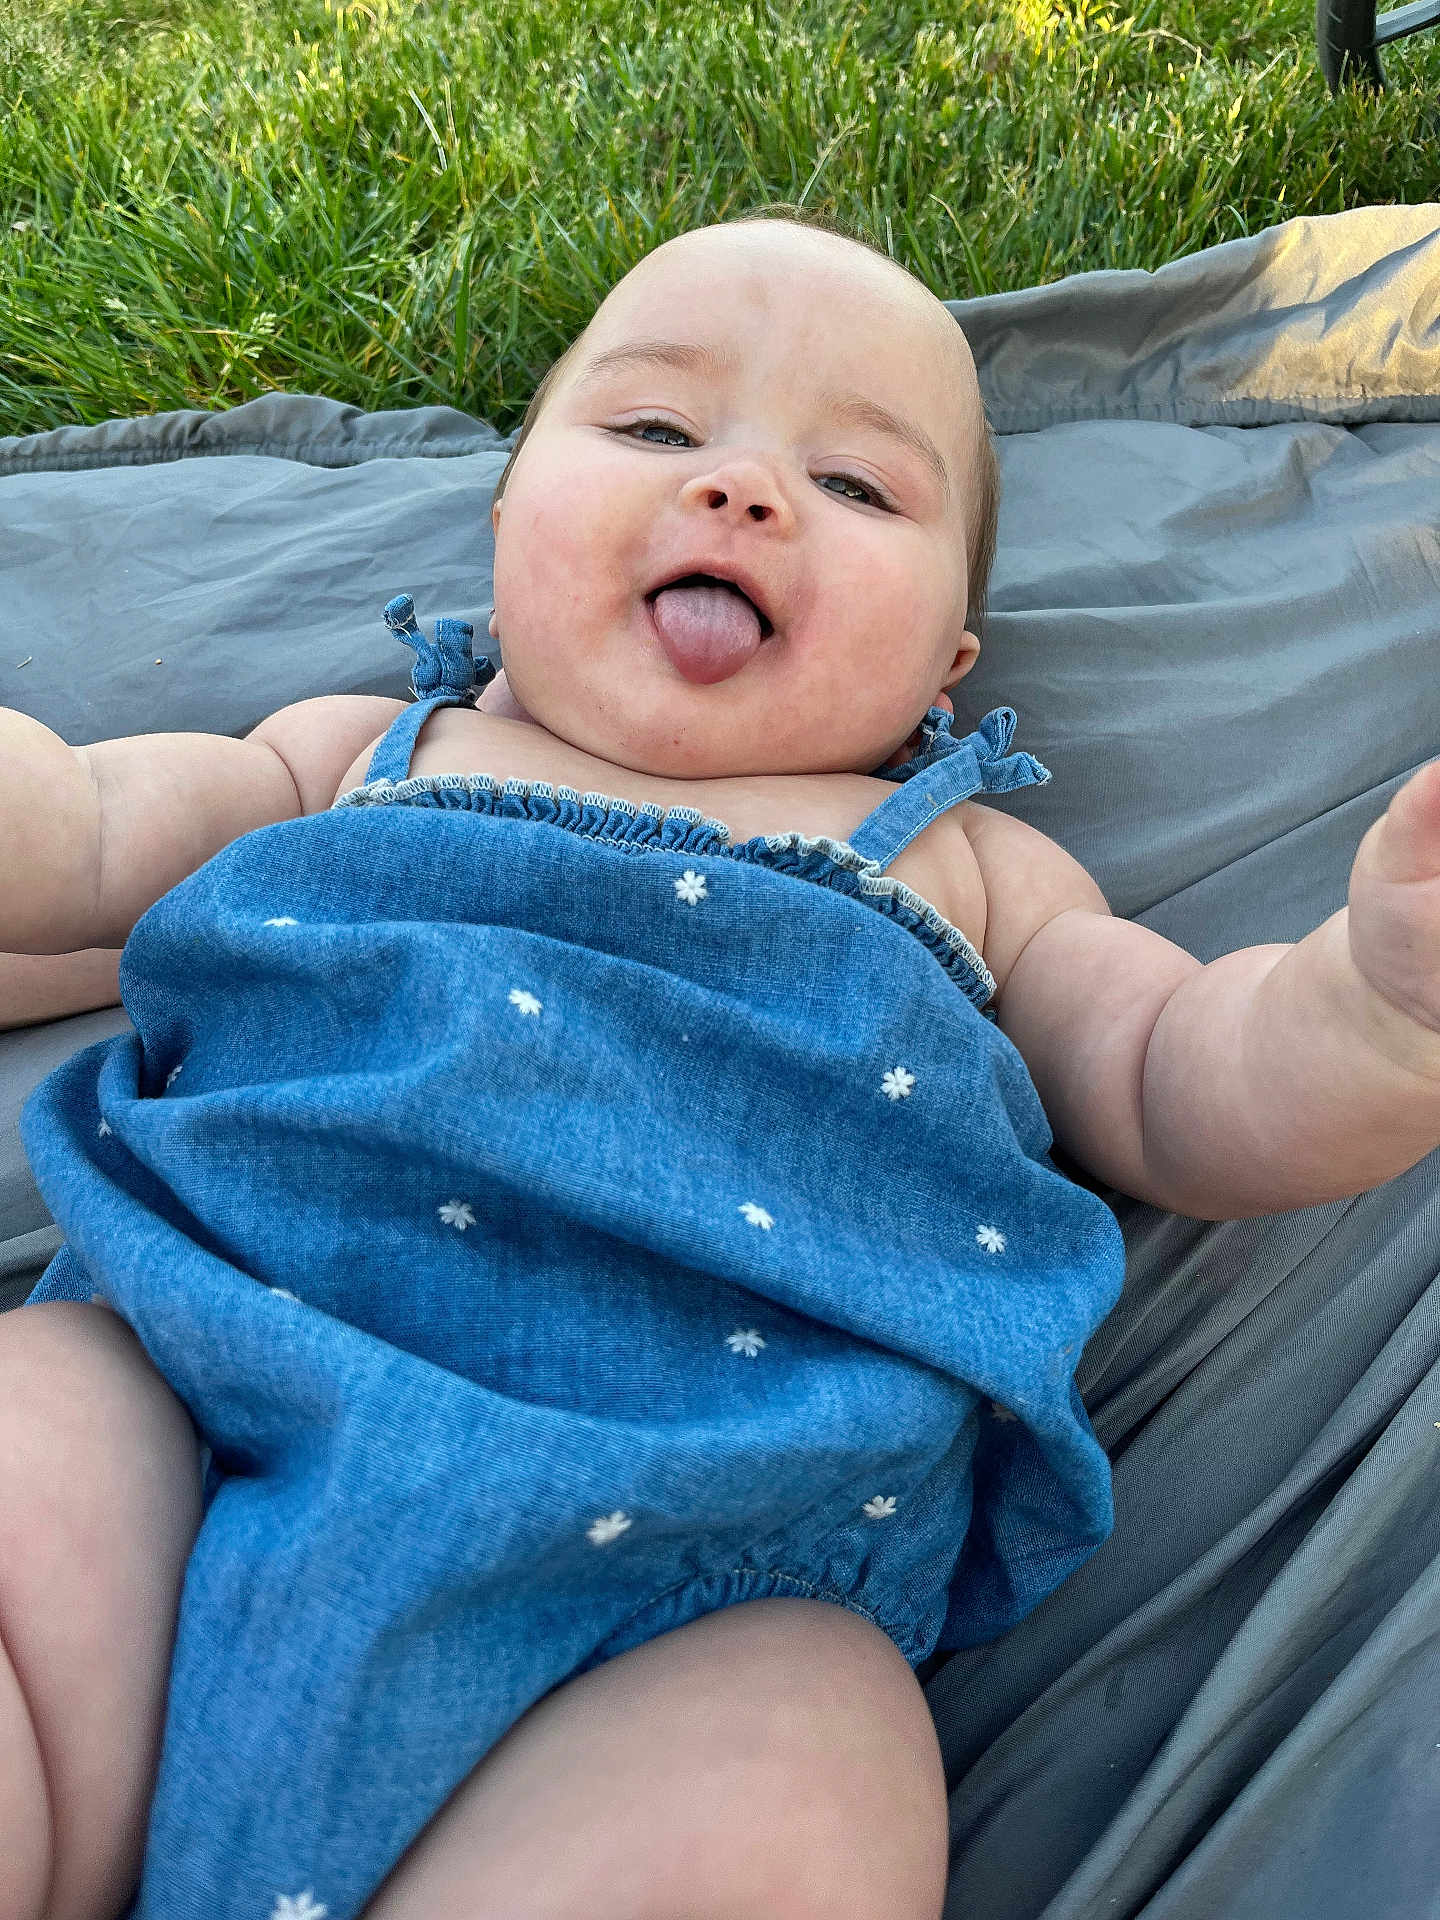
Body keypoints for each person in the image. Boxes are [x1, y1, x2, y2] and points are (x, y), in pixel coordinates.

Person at [2, 210, 1438, 1920]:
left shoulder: (958, 863)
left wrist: (1377, 1009)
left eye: (857, 488)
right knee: (30, 1434)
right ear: (501, 523)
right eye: (656, 432)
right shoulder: (350, 754)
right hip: (196, 1358)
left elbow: (1181, 1074)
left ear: (946, 666)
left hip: (709, 1536)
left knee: (803, 1766)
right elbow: (84, 829)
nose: (742, 491)